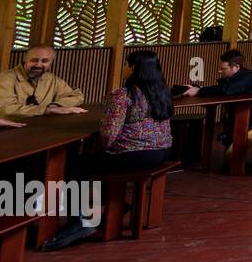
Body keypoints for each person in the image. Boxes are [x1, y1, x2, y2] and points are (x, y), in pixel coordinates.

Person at [41, 50, 174, 251]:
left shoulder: (124, 95)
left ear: (134, 69)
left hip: (132, 155)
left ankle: (82, 221)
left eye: (126, 64)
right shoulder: (162, 92)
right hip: (162, 152)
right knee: (94, 164)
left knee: (74, 166)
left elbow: (109, 134)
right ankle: (114, 202)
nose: (124, 68)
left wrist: (103, 148)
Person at [184, 49, 252, 165]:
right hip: (241, 122)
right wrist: (198, 89)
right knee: (230, 161)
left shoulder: (250, 76)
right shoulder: (229, 80)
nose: (219, 71)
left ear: (236, 67)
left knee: (231, 162)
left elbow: (228, 90)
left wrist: (199, 91)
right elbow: (222, 89)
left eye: (223, 69)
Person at [0, 45, 87, 120]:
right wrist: (46, 110)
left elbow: (76, 96)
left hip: (39, 129)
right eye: (34, 60)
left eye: (44, 61)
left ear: (51, 62)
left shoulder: (51, 79)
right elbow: (5, 110)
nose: (38, 65)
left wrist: (55, 106)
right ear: (25, 59)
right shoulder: (5, 78)